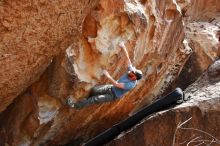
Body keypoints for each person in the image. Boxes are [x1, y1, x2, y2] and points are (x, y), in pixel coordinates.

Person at [67, 41, 143, 109]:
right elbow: (128, 59)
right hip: (110, 87)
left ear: (134, 77)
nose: (131, 71)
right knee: (94, 90)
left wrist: (107, 75)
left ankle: (74, 105)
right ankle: (86, 100)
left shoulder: (130, 85)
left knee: (95, 99)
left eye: (133, 72)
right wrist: (123, 46)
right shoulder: (131, 72)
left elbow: (116, 84)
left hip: (112, 95)